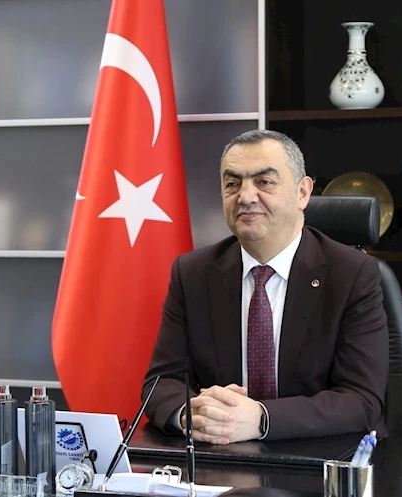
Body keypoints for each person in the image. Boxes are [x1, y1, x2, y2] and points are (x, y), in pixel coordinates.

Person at [141, 129, 389, 444]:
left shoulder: (352, 274)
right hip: (222, 453)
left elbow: (362, 400)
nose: (245, 197)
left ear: (302, 193)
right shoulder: (192, 273)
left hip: (320, 454)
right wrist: (192, 414)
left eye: (264, 182)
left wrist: (262, 418)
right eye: (232, 184)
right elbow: (162, 382)